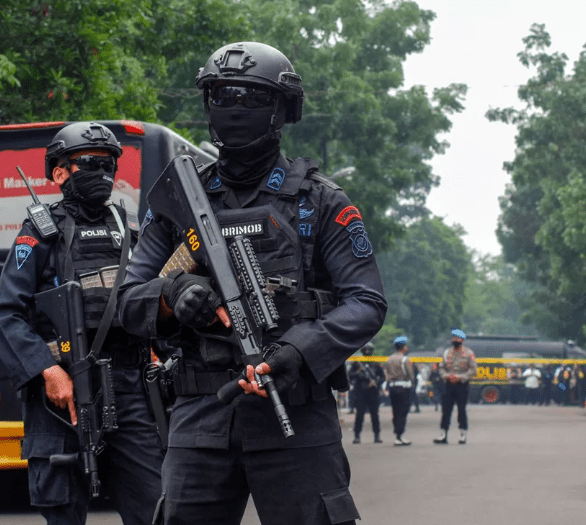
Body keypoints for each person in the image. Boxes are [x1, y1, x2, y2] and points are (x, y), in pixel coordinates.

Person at [116, 42, 388, 525]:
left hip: (296, 416)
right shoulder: (179, 200)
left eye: (252, 97)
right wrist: (174, 295)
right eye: (222, 96)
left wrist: (299, 351)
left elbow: (366, 302)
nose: (235, 108)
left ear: (282, 110)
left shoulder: (320, 202)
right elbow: (126, 299)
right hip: (200, 418)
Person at [0, 122, 163, 525]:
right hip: (62, 393)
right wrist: (48, 371)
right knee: (63, 510)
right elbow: (6, 315)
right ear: (59, 172)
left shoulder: (130, 231)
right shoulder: (39, 234)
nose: (102, 173)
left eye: (109, 165)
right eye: (89, 163)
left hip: (128, 389)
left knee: (156, 507)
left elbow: (153, 303)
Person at [434, 329, 477, 445]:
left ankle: (462, 434)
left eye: (457, 338)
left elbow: (473, 369)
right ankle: (443, 435)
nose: (455, 340)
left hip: (461, 385)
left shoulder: (468, 353)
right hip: (448, 384)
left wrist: (460, 377)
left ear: (462, 340)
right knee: (446, 410)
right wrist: (446, 376)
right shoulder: (446, 352)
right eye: (454, 338)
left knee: (461, 410)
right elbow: (441, 368)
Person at [348, 343, 385, 444]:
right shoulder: (357, 363)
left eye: (369, 350)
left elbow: (382, 377)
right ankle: (357, 436)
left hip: (373, 392)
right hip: (360, 392)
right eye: (366, 350)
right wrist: (358, 373)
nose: (367, 352)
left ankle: (377, 435)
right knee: (359, 415)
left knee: (375, 415)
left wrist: (376, 382)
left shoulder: (376, 363)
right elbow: (350, 375)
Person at [384, 336, 414, 446]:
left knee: (395, 411)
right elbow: (410, 375)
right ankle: (399, 435)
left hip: (392, 387)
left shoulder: (389, 359)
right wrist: (412, 386)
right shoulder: (405, 359)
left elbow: (387, 373)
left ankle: (398, 434)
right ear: (403, 347)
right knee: (403, 412)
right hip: (403, 388)